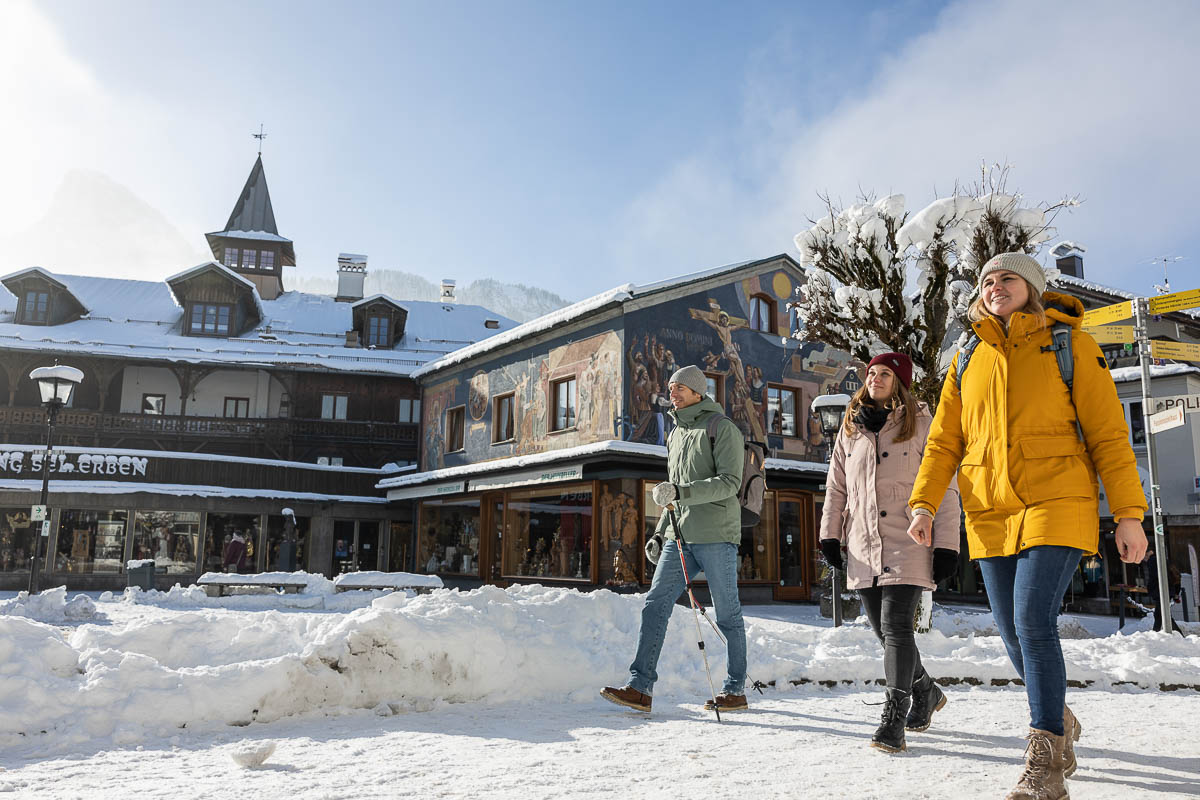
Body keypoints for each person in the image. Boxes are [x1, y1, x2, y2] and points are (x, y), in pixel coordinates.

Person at [907, 252, 1148, 799]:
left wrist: (1129, 514)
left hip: (1057, 498)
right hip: (989, 508)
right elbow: (945, 440)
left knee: (1032, 619)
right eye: (987, 281)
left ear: (1032, 287)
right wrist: (923, 504)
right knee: (1012, 632)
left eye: (1007, 278)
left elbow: (1110, 434)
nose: (995, 287)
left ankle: (1045, 760)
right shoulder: (967, 357)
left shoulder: (1069, 345)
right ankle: (1059, 718)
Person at [819, 352, 962, 753]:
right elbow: (836, 487)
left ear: (898, 382)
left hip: (910, 538)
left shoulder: (920, 422)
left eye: (884, 374)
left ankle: (893, 719)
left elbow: (944, 484)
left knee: (897, 627)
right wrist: (830, 535)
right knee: (883, 633)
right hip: (863, 542)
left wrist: (947, 544)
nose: (875, 379)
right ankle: (926, 690)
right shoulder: (851, 429)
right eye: (871, 373)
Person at [601, 364, 748, 713]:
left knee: (727, 614)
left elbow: (730, 483)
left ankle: (735, 689)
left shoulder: (721, 428)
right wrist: (658, 532)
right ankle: (640, 687)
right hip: (679, 536)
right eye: (670, 387)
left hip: (715, 535)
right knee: (654, 605)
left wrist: (681, 491)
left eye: (680, 387)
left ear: (698, 392)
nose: (673, 392)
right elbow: (672, 496)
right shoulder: (675, 433)